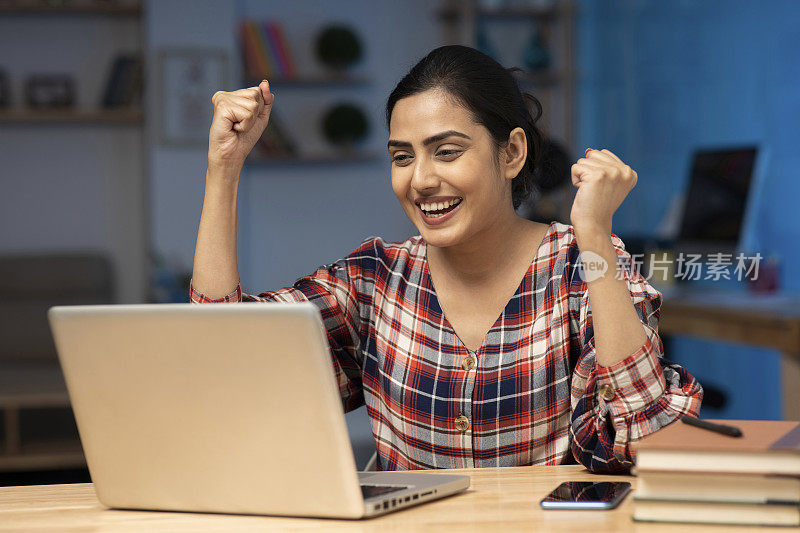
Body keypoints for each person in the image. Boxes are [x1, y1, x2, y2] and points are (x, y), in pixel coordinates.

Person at [190, 45, 702, 473]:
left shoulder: (582, 265)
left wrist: (593, 232)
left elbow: (644, 441)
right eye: (402, 156)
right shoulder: (374, 279)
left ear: (512, 153)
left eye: (448, 151)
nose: (420, 179)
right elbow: (220, 356)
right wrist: (224, 167)